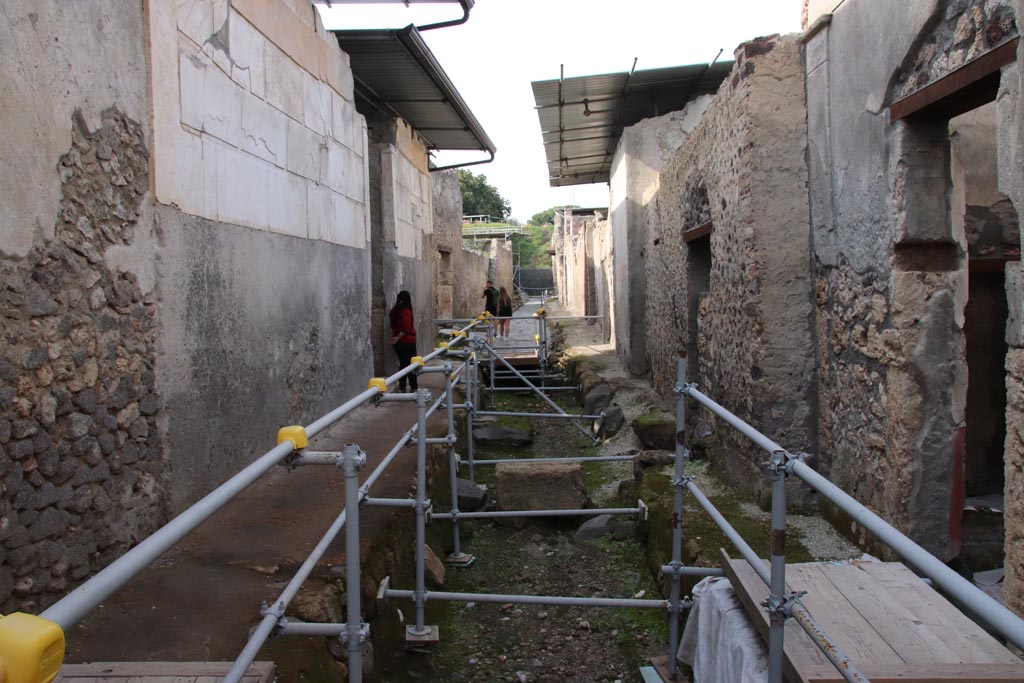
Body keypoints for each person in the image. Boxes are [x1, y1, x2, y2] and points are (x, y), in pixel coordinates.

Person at [388, 290, 418, 392]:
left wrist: (396, 338)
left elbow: (393, 325)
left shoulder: (393, 311)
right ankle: (413, 387)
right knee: (412, 365)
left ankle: (402, 387)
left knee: (403, 364)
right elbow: (405, 328)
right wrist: (398, 337)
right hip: (407, 342)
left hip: (398, 343)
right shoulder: (406, 312)